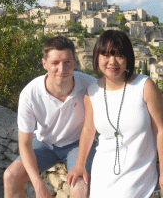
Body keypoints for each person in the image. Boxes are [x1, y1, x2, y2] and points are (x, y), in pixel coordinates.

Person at [67, 30, 163, 198]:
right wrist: (80, 165)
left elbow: (161, 131)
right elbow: (88, 130)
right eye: (106, 55)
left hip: (139, 179)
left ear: (128, 59)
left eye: (119, 56)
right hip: (102, 177)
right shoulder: (92, 92)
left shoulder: (144, 86)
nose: (112, 62)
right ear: (97, 57)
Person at [3, 35, 97, 198]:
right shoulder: (31, 93)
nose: (62, 69)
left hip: (77, 143)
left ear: (74, 62)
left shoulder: (90, 86)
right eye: (55, 63)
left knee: (80, 187)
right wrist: (38, 185)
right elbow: (24, 144)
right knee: (10, 177)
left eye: (67, 62)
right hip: (44, 143)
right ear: (44, 63)